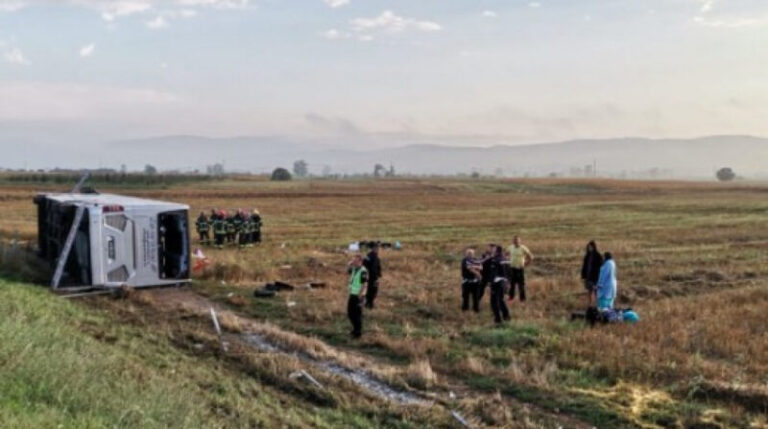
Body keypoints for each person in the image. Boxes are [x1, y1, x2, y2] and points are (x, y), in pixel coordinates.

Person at [487, 245, 511, 324]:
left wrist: (491, 283)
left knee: (494, 301)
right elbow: (508, 271)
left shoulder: (495, 260)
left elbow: (494, 273)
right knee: (500, 300)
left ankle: (498, 319)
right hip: (504, 282)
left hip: (497, 282)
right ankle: (506, 316)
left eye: (493, 249)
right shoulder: (504, 259)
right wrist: (508, 282)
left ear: (497, 251)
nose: (491, 250)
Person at [347, 254, 369, 339]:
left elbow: (365, 284)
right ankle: (355, 329)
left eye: (355, 261)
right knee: (350, 313)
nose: (354, 262)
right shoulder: (354, 269)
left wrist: (362, 295)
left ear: (360, 261)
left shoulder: (363, 271)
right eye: (353, 260)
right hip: (352, 294)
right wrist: (349, 264)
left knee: (357, 315)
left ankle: (358, 333)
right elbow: (347, 271)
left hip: (358, 295)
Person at [507, 236, 533, 302]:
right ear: (513, 241)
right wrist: (507, 260)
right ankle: (511, 298)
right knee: (512, 284)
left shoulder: (523, 248)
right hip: (512, 268)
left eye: (517, 241)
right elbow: (505, 254)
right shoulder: (510, 247)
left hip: (520, 269)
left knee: (520, 284)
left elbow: (531, 257)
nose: (516, 242)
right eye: (514, 241)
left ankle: (522, 299)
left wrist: (526, 264)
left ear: (520, 241)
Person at [581, 241, 604, 307]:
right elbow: (584, 266)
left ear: (593, 247)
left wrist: (599, 274)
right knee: (589, 291)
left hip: (596, 277)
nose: (589, 248)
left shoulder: (598, 255)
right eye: (588, 247)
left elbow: (601, 266)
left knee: (596, 291)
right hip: (588, 276)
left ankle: (597, 304)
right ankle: (590, 304)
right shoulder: (587, 256)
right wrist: (583, 276)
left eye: (590, 247)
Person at [363, 242, 382, 309]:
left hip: (370, 276)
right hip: (372, 276)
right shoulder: (372, 256)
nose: (378, 249)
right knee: (372, 290)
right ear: (373, 248)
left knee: (371, 290)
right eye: (377, 248)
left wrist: (379, 275)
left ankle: (368, 303)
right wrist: (376, 277)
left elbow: (378, 267)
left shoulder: (371, 256)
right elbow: (373, 268)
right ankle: (369, 304)